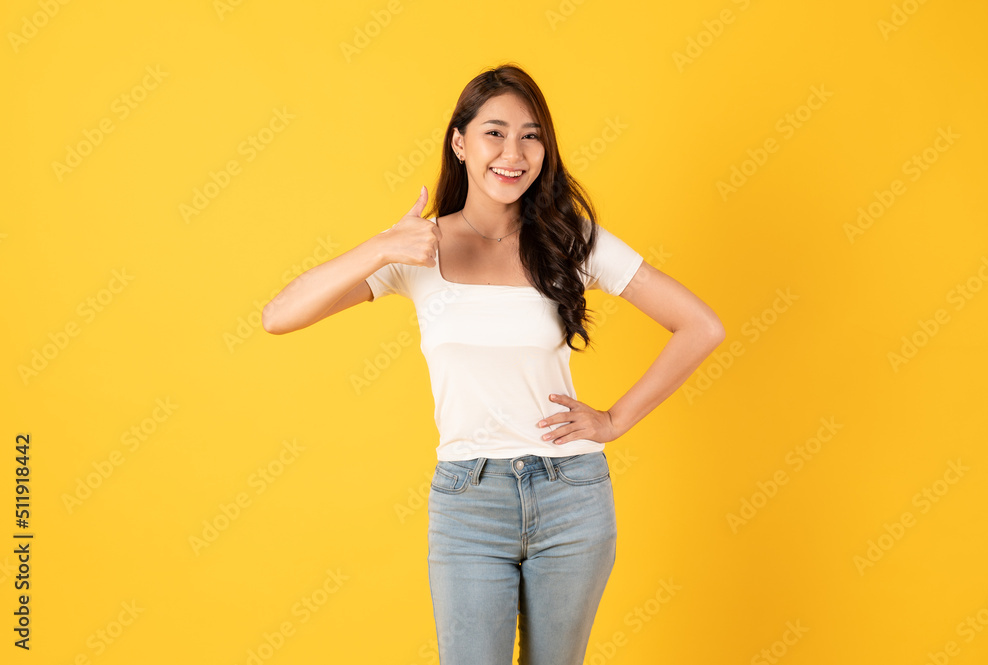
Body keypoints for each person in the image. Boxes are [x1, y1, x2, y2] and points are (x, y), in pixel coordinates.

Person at [262, 63, 725, 665]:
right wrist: (379, 246)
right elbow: (280, 315)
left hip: (572, 497)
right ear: (460, 143)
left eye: (531, 136)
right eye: (494, 133)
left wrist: (613, 420)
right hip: (468, 500)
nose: (514, 153)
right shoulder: (417, 249)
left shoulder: (570, 239)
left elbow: (700, 326)